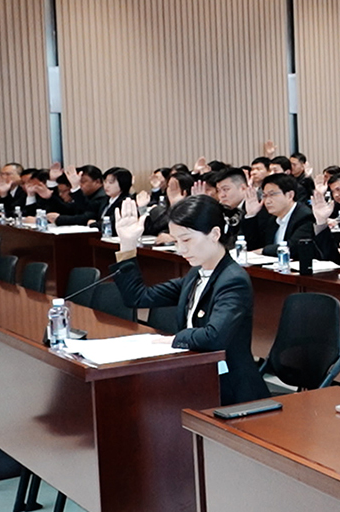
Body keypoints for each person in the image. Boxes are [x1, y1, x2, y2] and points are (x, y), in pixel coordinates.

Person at [109, 196, 268, 406]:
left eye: (186, 240)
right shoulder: (196, 274)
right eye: (176, 241)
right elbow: (138, 297)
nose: (181, 249)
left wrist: (175, 339)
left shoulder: (233, 280)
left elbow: (214, 337)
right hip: (196, 375)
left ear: (215, 234)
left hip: (230, 390)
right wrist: (127, 244)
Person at [242, 173, 315, 256]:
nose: (267, 201)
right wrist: (251, 215)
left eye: (272, 195)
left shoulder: (304, 216)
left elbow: (294, 247)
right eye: (265, 196)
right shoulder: (271, 218)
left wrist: (263, 251)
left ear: (290, 195)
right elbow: (254, 246)